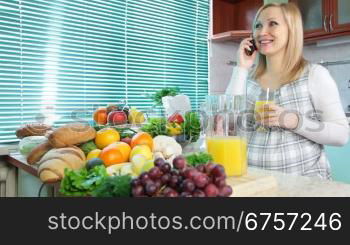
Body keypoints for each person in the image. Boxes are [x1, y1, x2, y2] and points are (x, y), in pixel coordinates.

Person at [225, 2, 349, 179]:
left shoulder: (314, 75)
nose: (261, 32)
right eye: (257, 26)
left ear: (292, 30)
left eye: (272, 23)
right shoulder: (247, 78)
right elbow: (228, 125)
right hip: (254, 181)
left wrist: (294, 120)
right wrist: (241, 67)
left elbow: (341, 135)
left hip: (304, 186)